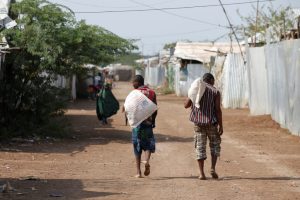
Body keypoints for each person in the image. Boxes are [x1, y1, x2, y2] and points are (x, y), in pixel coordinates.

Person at [184, 73, 223, 180]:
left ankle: (201, 174)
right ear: (210, 80)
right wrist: (221, 125)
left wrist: (190, 95)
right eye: (213, 80)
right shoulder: (215, 92)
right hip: (212, 123)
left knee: (200, 147)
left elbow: (186, 105)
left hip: (198, 124)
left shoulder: (196, 88)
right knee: (214, 145)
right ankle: (212, 168)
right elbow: (218, 110)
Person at [125, 75, 157, 178]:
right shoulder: (152, 92)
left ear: (137, 82)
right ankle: (146, 161)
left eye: (133, 82)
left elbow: (128, 108)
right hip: (147, 123)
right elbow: (155, 108)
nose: (132, 84)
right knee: (147, 143)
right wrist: (153, 121)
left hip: (137, 124)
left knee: (137, 145)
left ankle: (138, 172)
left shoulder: (134, 93)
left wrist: (129, 121)